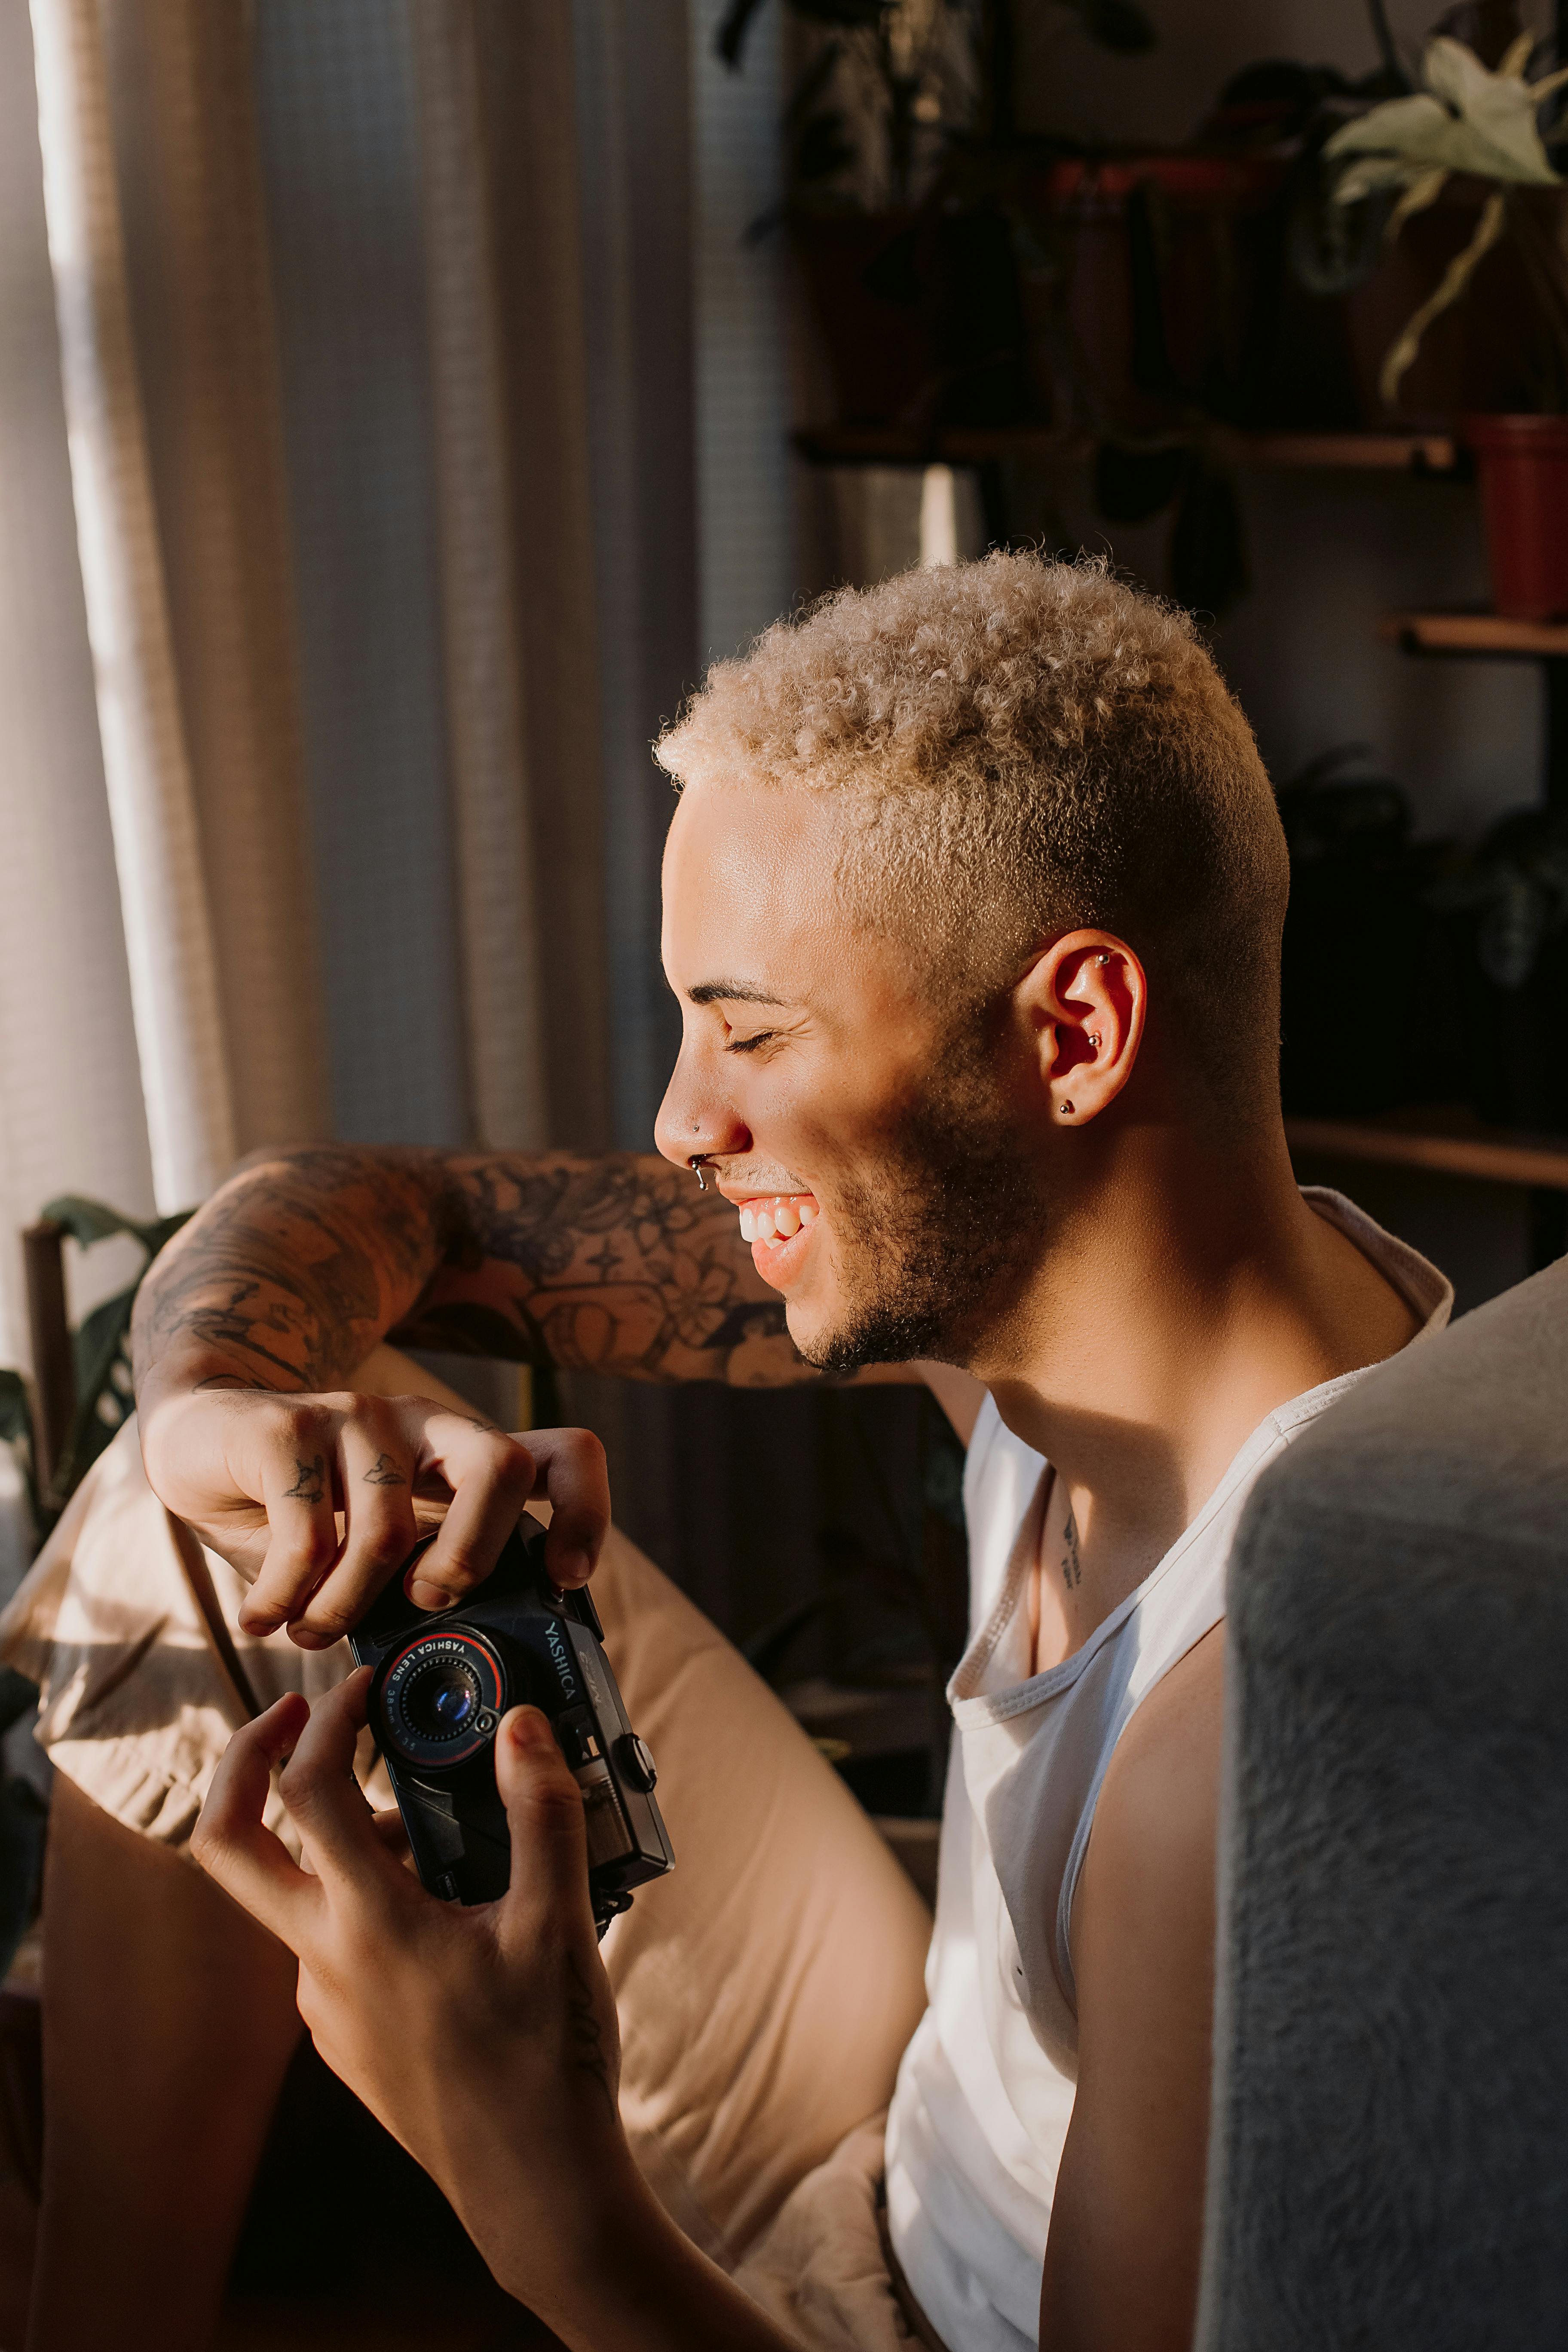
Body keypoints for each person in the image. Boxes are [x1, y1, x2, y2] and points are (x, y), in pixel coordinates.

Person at [9, 554, 1449, 2352]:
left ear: (1070, 1034)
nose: (687, 1123)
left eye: (752, 1032)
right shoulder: (1070, 1311)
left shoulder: (1246, 1735)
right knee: (210, 1518)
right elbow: (393, 1205)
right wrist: (212, 1404)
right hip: (908, 2117)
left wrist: (542, 2189)